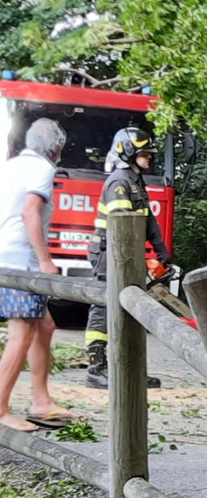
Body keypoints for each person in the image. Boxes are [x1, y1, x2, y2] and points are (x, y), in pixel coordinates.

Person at [0, 118, 78, 431]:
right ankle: (1, 408)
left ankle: (42, 401)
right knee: (23, 333)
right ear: (57, 147)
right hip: (23, 262)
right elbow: (30, 211)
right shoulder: (43, 169)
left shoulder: (11, 165)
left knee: (45, 325)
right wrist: (46, 260)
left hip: (5, 256)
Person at [85, 127, 169, 389]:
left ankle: (128, 369)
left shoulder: (135, 181)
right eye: (144, 153)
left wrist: (162, 253)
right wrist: (141, 261)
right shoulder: (119, 183)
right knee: (103, 306)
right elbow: (123, 229)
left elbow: (148, 221)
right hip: (109, 254)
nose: (150, 157)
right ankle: (96, 368)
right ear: (129, 152)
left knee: (130, 310)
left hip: (125, 256)